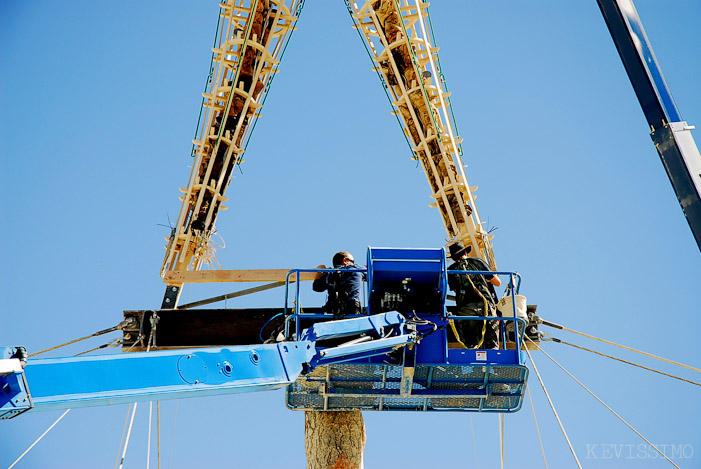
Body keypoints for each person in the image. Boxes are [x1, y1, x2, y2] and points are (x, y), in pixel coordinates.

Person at [447, 241, 501, 349]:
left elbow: (454, 290)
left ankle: (473, 350)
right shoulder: (478, 262)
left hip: (466, 308)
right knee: (492, 341)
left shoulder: (450, 270)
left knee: (471, 343)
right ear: (466, 253)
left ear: (453, 258)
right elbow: (497, 283)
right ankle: (493, 355)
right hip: (486, 306)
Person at [313, 251, 363, 319]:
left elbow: (316, 287)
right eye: (352, 261)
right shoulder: (357, 269)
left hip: (332, 310)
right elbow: (373, 272)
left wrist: (320, 269)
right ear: (345, 261)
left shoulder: (329, 273)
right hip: (352, 310)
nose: (353, 263)